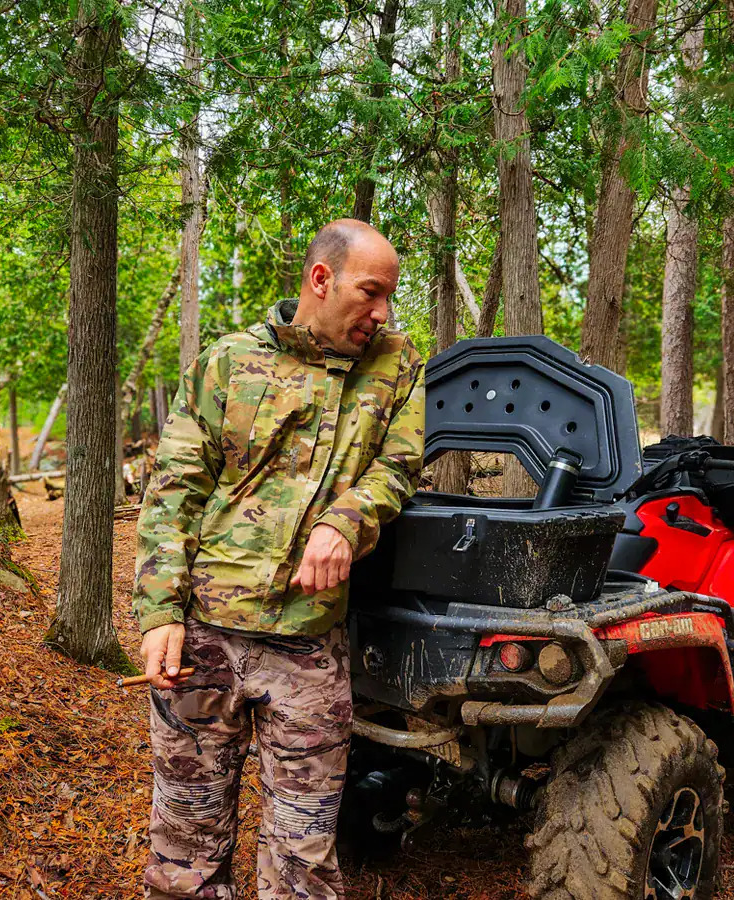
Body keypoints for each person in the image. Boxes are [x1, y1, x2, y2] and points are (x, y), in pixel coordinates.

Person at [131, 218, 425, 899]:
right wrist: (159, 614)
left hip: (308, 644)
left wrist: (345, 522)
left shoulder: (398, 364)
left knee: (304, 857)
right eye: (371, 292)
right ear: (321, 280)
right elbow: (174, 489)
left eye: (389, 296)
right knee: (185, 846)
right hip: (203, 636)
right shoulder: (229, 362)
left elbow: (399, 466)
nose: (382, 312)